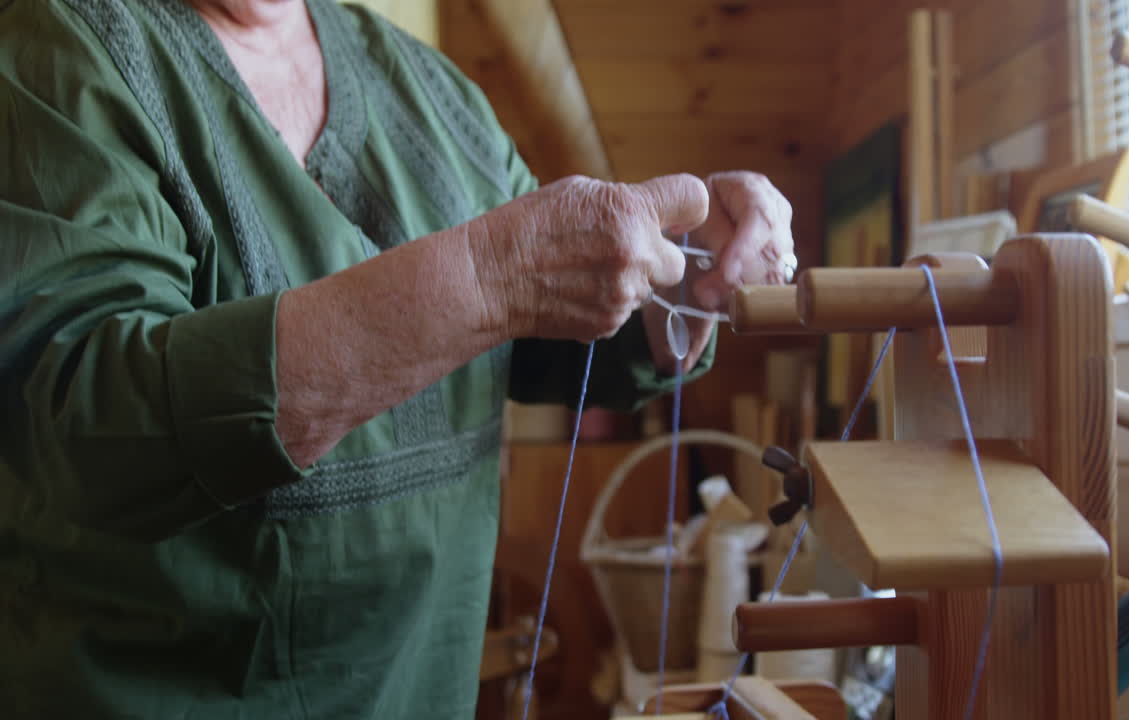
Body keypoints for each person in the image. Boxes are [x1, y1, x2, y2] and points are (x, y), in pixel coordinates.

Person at [0, 0, 795, 717]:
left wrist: (689, 265)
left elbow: (555, 329)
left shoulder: (428, 88)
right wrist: (489, 276)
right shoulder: (56, 48)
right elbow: (90, 421)